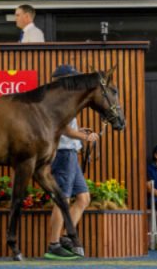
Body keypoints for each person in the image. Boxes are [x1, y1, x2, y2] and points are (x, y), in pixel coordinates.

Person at [44, 64, 100, 260]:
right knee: (63, 200)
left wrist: (79, 132)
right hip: (63, 153)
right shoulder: (59, 99)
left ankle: (66, 236)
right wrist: (84, 137)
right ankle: (53, 244)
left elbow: (68, 126)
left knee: (83, 198)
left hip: (70, 152)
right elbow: (64, 129)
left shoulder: (65, 98)